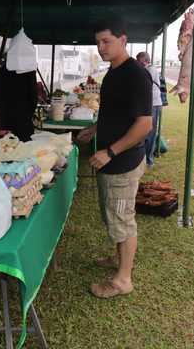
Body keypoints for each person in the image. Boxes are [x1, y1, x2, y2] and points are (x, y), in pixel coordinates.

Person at [77, 17, 152, 299]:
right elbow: (116, 115)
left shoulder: (135, 74)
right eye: (97, 42)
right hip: (113, 159)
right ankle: (118, 259)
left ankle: (123, 279)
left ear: (123, 40)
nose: (101, 47)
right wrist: (95, 129)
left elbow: (144, 125)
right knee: (113, 215)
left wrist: (109, 152)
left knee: (122, 219)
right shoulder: (112, 73)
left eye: (106, 41)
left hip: (122, 161)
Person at [0, 58, 38, 141]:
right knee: (25, 150)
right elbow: (34, 98)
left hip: (5, 120)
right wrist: (28, 114)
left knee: (4, 148)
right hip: (23, 120)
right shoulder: (29, 72)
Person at [136, 51, 162, 167]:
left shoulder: (151, 70)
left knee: (150, 132)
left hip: (154, 104)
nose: (139, 65)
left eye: (141, 63)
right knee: (144, 131)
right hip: (148, 103)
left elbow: (142, 84)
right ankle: (144, 158)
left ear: (147, 61)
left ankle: (149, 160)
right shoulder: (145, 69)